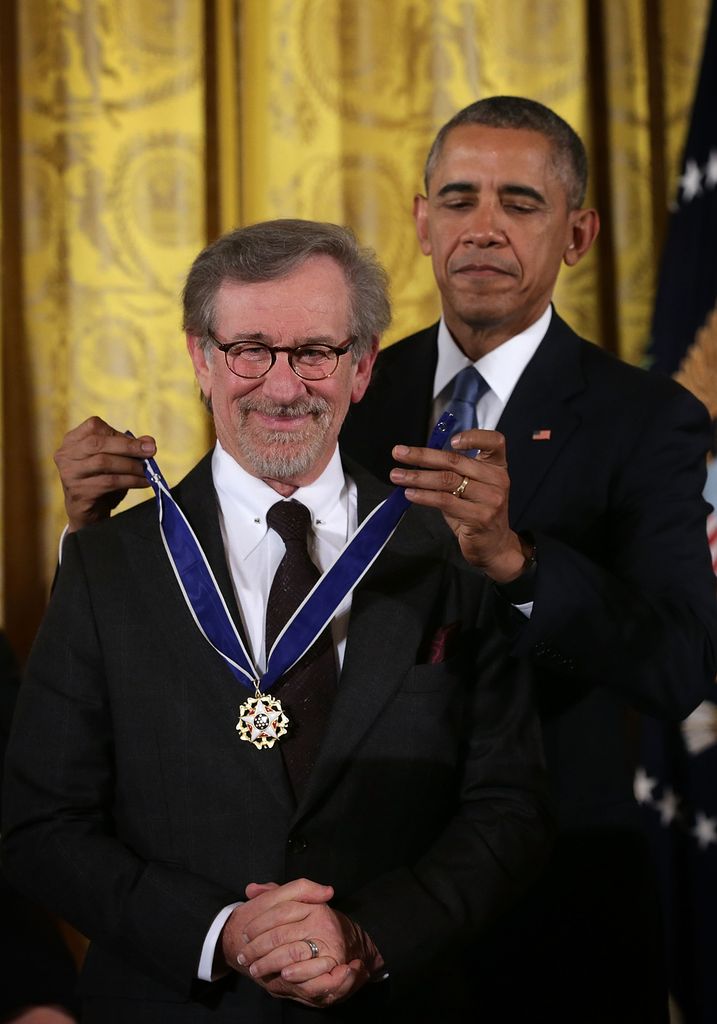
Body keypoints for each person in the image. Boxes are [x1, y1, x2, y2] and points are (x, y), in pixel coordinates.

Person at [45, 98, 717, 1021]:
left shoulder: (649, 421)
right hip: (318, 900)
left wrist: (519, 567)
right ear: (420, 219)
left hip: (550, 902)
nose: (481, 228)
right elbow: (193, 594)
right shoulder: (340, 374)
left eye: (519, 203)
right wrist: (90, 531)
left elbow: (679, 665)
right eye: (457, 198)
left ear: (578, 233)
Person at [2, 219, 550, 1023]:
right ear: (201, 356)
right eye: (249, 348)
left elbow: (511, 808)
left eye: (315, 353)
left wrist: (370, 937)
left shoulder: (452, 552)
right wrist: (220, 933)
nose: (284, 386)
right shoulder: (104, 564)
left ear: (361, 367)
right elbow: (39, 827)